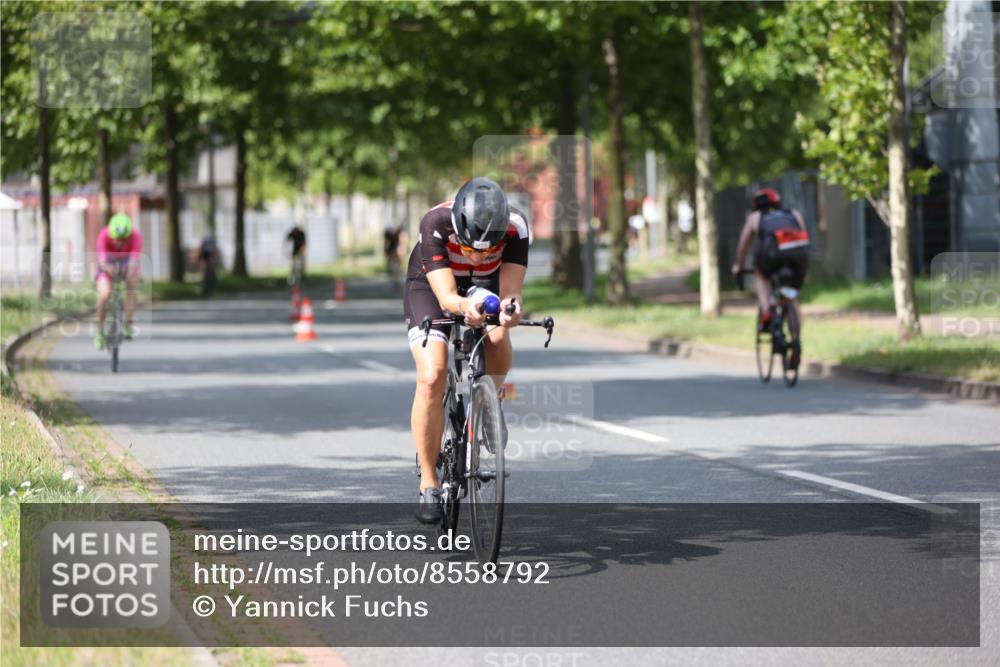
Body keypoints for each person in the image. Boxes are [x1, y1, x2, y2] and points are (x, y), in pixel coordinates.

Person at [404, 177, 530, 524]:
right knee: (432, 374)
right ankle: (429, 482)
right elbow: (446, 299)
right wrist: (463, 308)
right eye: (471, 245)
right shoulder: (435, 223)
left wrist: (511, 310)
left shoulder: (516, 227)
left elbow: (511, 294)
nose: (479, 253)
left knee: (499, 335)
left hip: (485, 284)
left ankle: (490, 403)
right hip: (433, 284)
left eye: (489, 248)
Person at [731, 187, 810, 339]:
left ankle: (767, 309)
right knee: (791, 296)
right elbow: (803, 235)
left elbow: (743, 247)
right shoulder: (794, 213)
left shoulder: (756, 217)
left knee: (760, 275)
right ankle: (796, 343)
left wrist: (739, 266)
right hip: (799, 255)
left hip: (772, 255)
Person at [94, 213, 143, 350]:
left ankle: (128, 322)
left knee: (132, 285)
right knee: (104, 294)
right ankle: (100, 332)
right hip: (108, 263)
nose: (119, 243)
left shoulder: (136, 236)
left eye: (124, 240)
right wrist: (109, 270)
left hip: (127, 263)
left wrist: (130, 271)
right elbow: (102, 262)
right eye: (116, 239)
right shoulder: (103, 236)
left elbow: (134, 261)